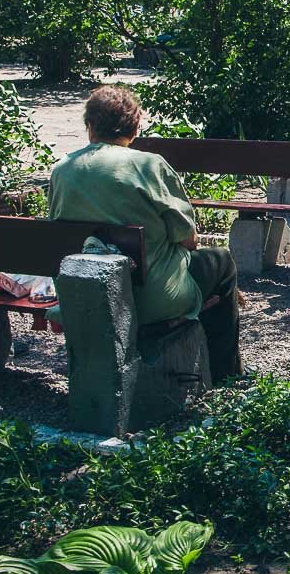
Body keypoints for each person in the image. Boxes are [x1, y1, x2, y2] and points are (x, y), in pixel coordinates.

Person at [49, 86, 242, 379]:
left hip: (85, 296)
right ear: (135, 128)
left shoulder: (62, 169)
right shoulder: (149, 165)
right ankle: (225, 372)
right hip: (152, 300)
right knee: (222, 262)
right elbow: (187, 238)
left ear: (89, 127)